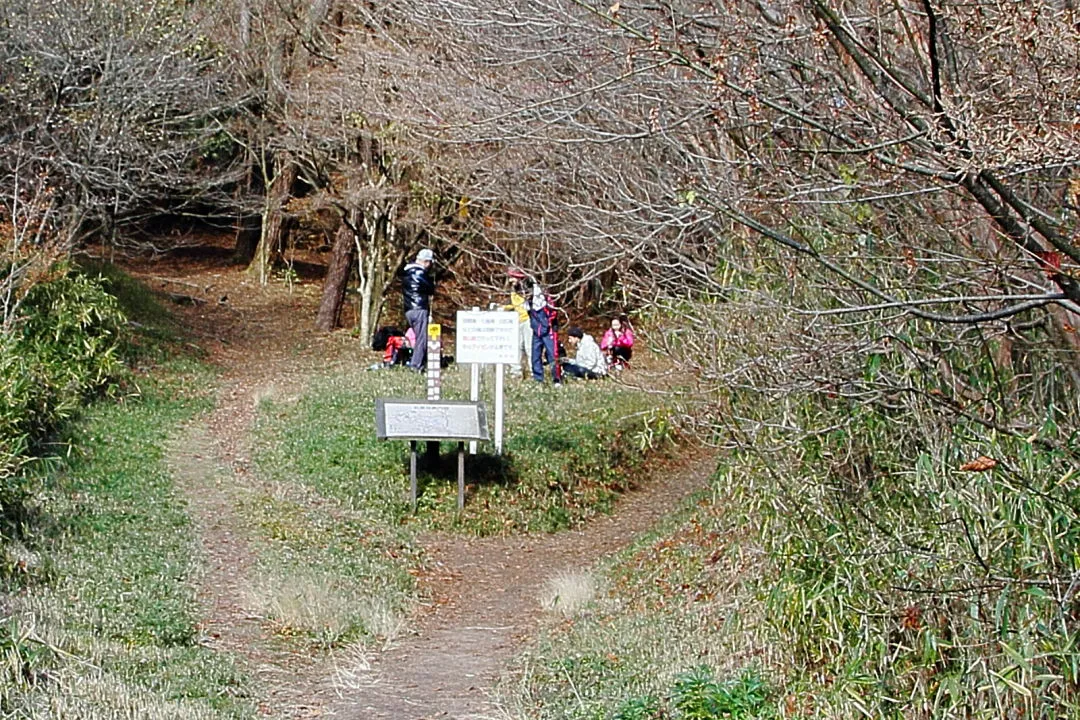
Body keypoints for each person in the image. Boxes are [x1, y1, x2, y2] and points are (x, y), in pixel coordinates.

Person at [401, 248, 435, 372]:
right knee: (422, 338)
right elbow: (431, 289)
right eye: (429, 263)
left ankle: (415, 361)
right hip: (419, 308)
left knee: (417, 336)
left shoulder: (406, 272)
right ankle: (416, 365)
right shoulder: (420, 273)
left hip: (408, 309)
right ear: (426, 262)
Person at [528, 283, 562, 385]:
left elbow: (553, 313)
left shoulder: (546, 298)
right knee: (535, 355)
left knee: (552, 355)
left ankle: (557, 379)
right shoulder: (528, 298)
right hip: (536, 331)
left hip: (549, 331)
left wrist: (549, 325)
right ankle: (538, 379)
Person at [503, 268, 532, 378]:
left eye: (513, 277)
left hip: (528, 320)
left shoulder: (526, 288)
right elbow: (516, 305)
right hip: (517, 320)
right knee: (516, 346)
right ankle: (516, 372)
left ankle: (534, 372)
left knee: (529, 347)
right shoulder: (513, 289)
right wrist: (505, 308)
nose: (510, 280)